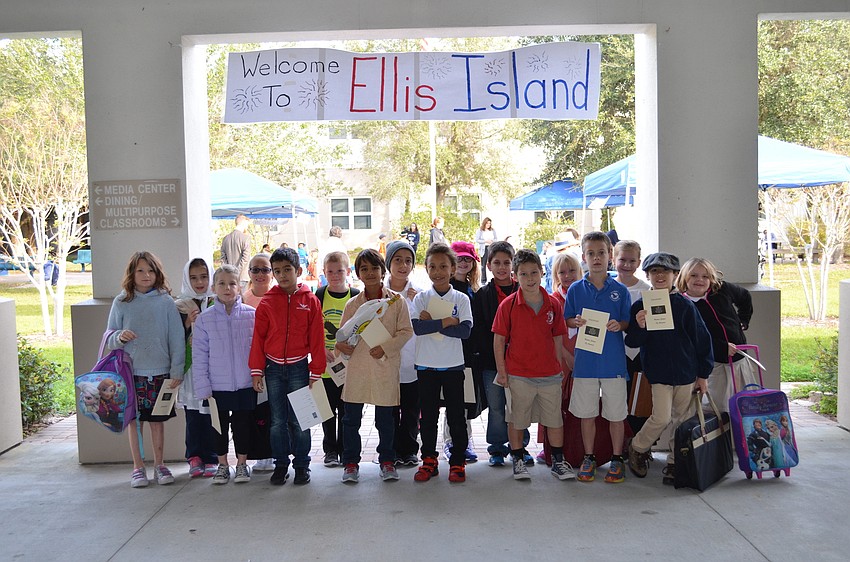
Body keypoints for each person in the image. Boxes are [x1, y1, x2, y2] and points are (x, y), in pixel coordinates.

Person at [625, 252, 713, 485]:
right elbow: (632, 341)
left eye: (666, 271)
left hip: (686, 374)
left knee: (682, 420)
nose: (660, 275)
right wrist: (640, 325)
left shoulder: (684, 305)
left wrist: (703, 374)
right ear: (648, 275)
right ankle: (637, 446)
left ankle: (676, 461)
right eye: (654, 271)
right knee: (662, 417)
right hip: (658, 374)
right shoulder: (640, 305)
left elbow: (702, 340)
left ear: (675, 276)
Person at [492, 249, 573, 481]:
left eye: (534, 273)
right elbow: (499, 339)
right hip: (518, 375)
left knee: (554, 420)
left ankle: (558, 461)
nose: (530, 279)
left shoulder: (553, 304)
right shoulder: (507, 306)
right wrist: (502, 371)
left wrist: (558, 366)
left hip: (549, 374)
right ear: (515, 276)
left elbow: (558, 336)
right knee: (517, 419)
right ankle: (517, 459)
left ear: (542, 272)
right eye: (524, 274)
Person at [106, 251, 185, 488]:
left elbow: (177, 339)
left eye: (150, 270)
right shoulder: (121, 302)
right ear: (132, 273)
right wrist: (120, 336)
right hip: (131, 374)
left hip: (161, 374)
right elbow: (109, 336)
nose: (146, 275)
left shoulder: (166, 302)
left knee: (157, 420)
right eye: (140, 270)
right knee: (134, 421)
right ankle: (138, 467)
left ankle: (159, 465)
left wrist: (176, 370)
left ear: (157, 273)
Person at [249, 247, 326, 486]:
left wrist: (316, 370)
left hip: (299, 370)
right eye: (277, 271)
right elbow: (258, 339)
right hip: (273, 371)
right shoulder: (267, 303)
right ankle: (281, 464)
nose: (282, 275)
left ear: (299, 270)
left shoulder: (310, 300)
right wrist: (256, 370)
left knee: (301, 420)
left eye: (287, 270)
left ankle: (302, 465)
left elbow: (317, 338)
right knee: (277, 421)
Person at [336, 249, 413, 483]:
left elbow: (406, 331)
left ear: (383, 270)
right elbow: (342, 335)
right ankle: (350, 463)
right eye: (364, 269)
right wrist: (342, 346)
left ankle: (387, 461)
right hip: (358, 368)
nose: (370, 273)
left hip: (384, 367)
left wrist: (387, 347)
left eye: (374, 268)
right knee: (350, 420)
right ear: (358, 273)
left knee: (386, 420)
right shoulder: (352, 304)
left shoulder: (396, 302)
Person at [564, 231, 630, 484]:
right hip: (586, 364)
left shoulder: (620, 290)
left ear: (610, 256)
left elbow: (626, 322)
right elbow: (567, 318)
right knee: (587, 414)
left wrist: (619, 325)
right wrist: (575, 321)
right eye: (590, 253)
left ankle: (616, 458)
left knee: (616, 415)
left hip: (613, 363)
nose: (596, 258)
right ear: (584, 257)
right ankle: (588, 457)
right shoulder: (575, 290)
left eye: (601, 252)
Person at [411, 243, 473, 483]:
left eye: (443, 266)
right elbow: (418, 328)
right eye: (432, 266)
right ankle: (429, 459)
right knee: (428, 417)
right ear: (426, 269)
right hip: (425, 366)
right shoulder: (421, 299)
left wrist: (434, 323)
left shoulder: (461, 298)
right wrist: (447, 321)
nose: (438, 271)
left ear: (453, 268)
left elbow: (465, 331)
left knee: (456, 416)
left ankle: (457, 461)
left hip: (453, 366)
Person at [192, 265, 257, 485]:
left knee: (243, 426)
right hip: (216, 386)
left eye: (232, 283)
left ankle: (241, 464)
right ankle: (222, 464)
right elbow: (199, 356)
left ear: (240, 287)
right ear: (213, 287)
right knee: (218, 427)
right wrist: (203, 386)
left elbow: (258, 351)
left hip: (245, 383)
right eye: (222, 283)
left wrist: (257, 377)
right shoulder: (204, 319)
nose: (227, 288)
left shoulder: (252, 316)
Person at [471, 240, 533, 467]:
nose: (502, 267)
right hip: (491, 363)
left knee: (520, 406)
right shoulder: (481, 296)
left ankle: (521, 447)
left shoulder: (525, 291)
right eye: (496, 262)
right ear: (488, 266)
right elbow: (478, 331)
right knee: (497, 407)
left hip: (520, 362)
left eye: (507, 262)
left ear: (514, 265)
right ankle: (496, 448)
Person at [676, 257, 755, 411]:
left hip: (738, 360)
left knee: (744, 407)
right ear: (684, 276)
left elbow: (745, 297)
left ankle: (740, 435)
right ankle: (722, 435)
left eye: (705, 276)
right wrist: (720, 347)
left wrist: (743, 322)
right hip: (712, 366)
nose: (700, 280)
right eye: (694, 275)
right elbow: (689, 337)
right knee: (718, 409)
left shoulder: (722, 290)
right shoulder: (681, 304)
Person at [315, 251, 360, 468]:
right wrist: (321, 349)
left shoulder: (356, 296)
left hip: (349, 368)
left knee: (346, 411)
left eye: (339, 271)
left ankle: (344, 449)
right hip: (326, 367)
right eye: (330, 272)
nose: (335, 275)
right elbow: (311, 329)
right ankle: (330, 450)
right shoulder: (319, 296)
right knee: (327, 411)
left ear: (348, 272)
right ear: (324, 273)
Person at [174, 257, 218, 479]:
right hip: (191, 370)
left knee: (212, 414)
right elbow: (172, 339)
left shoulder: (217, 301)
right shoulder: (180, 305)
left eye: (204, 276)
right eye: (193, 277)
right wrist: (186, 325)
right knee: (193, 414)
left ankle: (212, 456)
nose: (199, 282)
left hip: (213, 370)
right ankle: (194, 457)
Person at [537, 250, 582, 464]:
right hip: (558, 357)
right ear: (555, 275)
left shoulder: (586, 295)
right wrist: (566, 356)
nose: (568, 275)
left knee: (579, 403)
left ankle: (576, 446)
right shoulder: (552, 299)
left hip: (584, 356)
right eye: (562, 272)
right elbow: (548, 334)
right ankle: (548, 447)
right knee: (553, 402)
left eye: (572, 270)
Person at [384, 240, 423, 466]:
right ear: (389, 264)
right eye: (398, 260)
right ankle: (389, 452)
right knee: (388, 411)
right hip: (387, 363)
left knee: (410, 411)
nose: (403, 265)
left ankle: (409, 450)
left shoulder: (418, 294)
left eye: (408, 260)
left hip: (412, 363)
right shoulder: (380, 293)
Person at [444, 240, 481, 463]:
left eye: (467, 259)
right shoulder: (445, 290)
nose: (463, 263)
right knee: (452, 403)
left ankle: (463, 441)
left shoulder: (474, 290)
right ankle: (452, 442)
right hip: (448, 353)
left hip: (468, 355)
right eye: (458, 258)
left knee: (465, 403)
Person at [241, 253, 276, 472]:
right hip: (248, 364)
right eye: (255, 270)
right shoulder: (242, 299)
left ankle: (271, 454)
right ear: (249, 273)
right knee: (253, 412)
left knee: (272, 411)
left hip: (274, 363)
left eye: (265, 269)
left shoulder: (278, 296)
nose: (260, 274)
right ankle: (257, 453)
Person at [613, 240, 651, 434]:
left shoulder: (648, 290)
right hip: (616, 352)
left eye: (632, 260)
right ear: (614, 260)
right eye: (622, 260)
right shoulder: (608, 288)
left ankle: (640, 444)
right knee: (619, 400)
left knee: (641, 398)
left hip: (641, 354)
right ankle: (622, 443)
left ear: (639, 262)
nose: (627, 265)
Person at [220, 214, 252, 286]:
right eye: (247, 225)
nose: (247, 227)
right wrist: (236, 272)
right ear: (243, 223)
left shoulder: (225, 239)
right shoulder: (246, 238)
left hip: (228, 277)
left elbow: (223, 259)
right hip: (242, 277)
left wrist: (229, 272)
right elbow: (245, 259)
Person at [475, 217, 498, 283]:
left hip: (491, 248)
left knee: (493, 263)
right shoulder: (480, 231)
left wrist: (492, 241)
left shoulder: (493, 230)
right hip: (484, 248)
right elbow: (477, 240)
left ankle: (495, 278)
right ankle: (483, 280)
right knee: (483, 265)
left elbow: (496, 239)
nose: (488, 225)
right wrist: (485, 241)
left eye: (489, 223)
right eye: (487, 223)